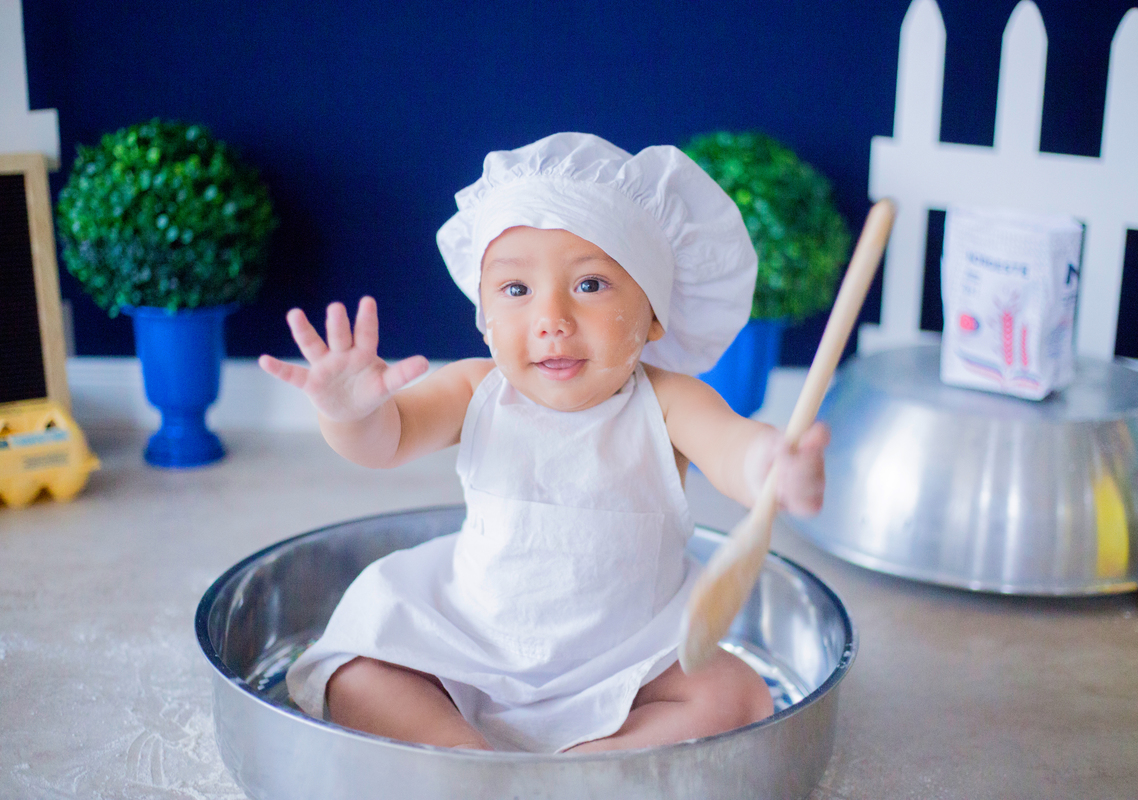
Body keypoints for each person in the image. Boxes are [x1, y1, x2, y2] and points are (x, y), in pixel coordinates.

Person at [260, 132, 831, 754]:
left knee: (738, 698)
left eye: (590, 285)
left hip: (632, 663)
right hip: (468, 645)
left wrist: (771, 465)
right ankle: (468, 758)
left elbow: (731, 448)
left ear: (654, 314)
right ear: (483, 315)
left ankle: (582, 768)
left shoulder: (667, 401)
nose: (551, 317)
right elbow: (383, 441)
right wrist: (349, 414)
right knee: (359, 676)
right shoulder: (477, 388)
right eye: (515, 290)